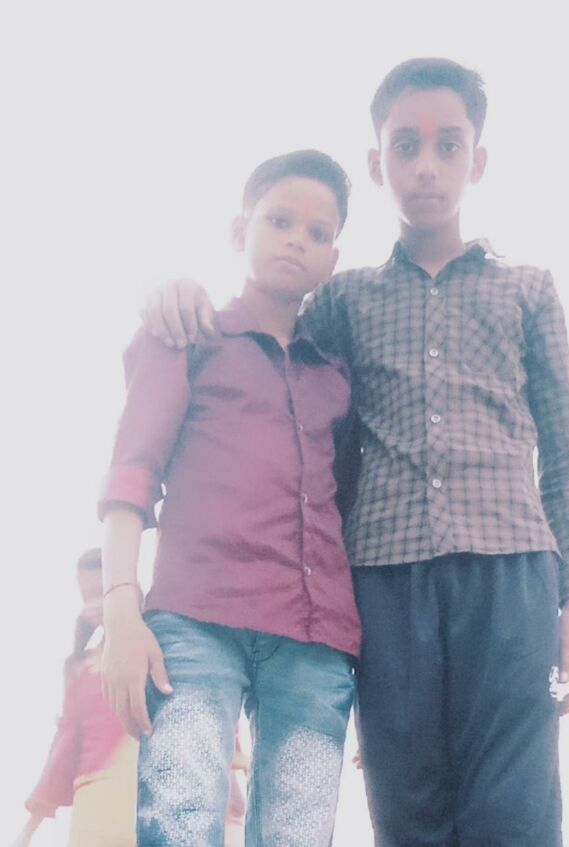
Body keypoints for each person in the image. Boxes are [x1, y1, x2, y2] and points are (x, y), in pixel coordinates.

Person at [141, 58, 569, 846]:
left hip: (513, 574)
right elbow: (271, 369)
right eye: (405, 145)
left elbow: (567, 454)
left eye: (448, 145)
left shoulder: (528, 290)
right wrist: (183, 293)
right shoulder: (344, 300)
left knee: (516, 811)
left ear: (477, 160)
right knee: (406, 808)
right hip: (384, 585)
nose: (426, 166)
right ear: (377, 160)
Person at [99, 149, 360, 847]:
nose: (296, 240)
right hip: (195, 623)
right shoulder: (186, 335)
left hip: (315, 642)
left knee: (299, 836)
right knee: (179, 825)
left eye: (317, 232)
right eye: (280, 221)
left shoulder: (336, 378)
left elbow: (346, 509)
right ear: (240, 229)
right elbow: (131, 475)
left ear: (333, 258)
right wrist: (120, 610)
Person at [13, 548, 137, 847]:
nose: (92, 604)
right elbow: (66, 743)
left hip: (153, 793)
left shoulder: (158, 650)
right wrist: (29, 828)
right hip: (94, 808)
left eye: (100, 593)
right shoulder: (80, 668)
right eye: (86, 595)